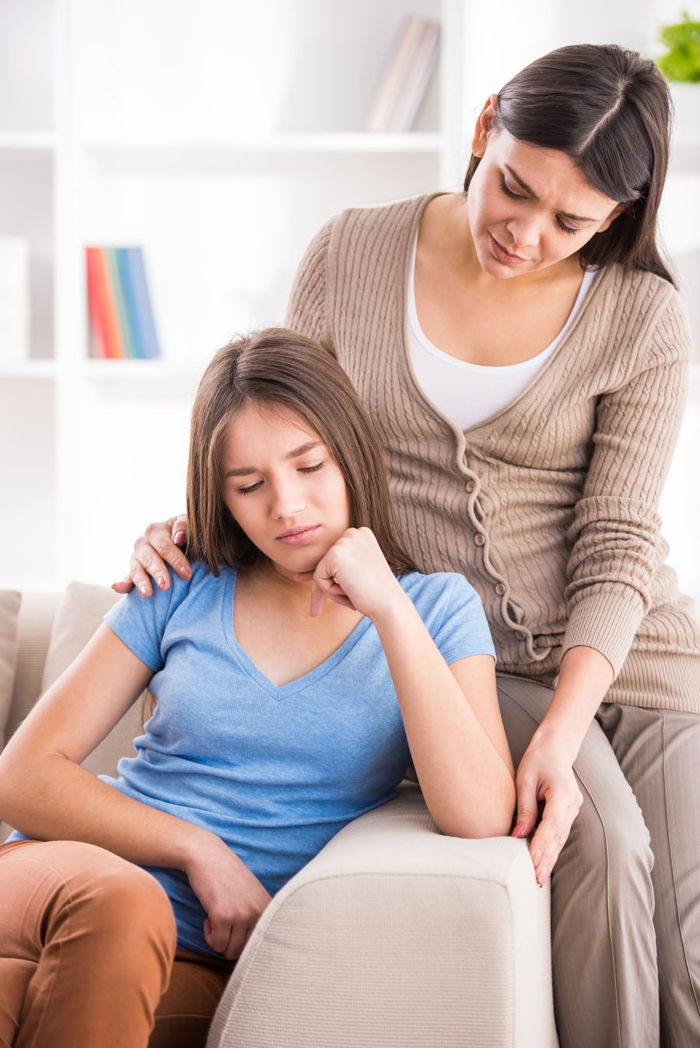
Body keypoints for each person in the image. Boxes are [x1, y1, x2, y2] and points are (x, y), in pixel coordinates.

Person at [118, 44, 700, 1048]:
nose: (524, 232)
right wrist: (195, 519)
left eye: (570, 222)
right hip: (470, 652)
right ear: (483, 130)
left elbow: (617, 538)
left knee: (693, 928)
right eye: (512, 188)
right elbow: (279, 426)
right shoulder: (351, 252)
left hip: (635, 652)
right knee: (601, 849)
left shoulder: (644, 315)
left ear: (619, 215)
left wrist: (566, 730)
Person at [0, 329, 515, 1048]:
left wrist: (389, 610)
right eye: (249, 485)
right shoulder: (181, 582)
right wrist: (196, 848)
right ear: (222, 497)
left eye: (309, 466)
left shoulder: (433, 611)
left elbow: (482, 815)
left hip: (197, 956)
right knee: (125, 900)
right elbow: (21, 776)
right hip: (57, 883)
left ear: (351, 454)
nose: (287, 507)